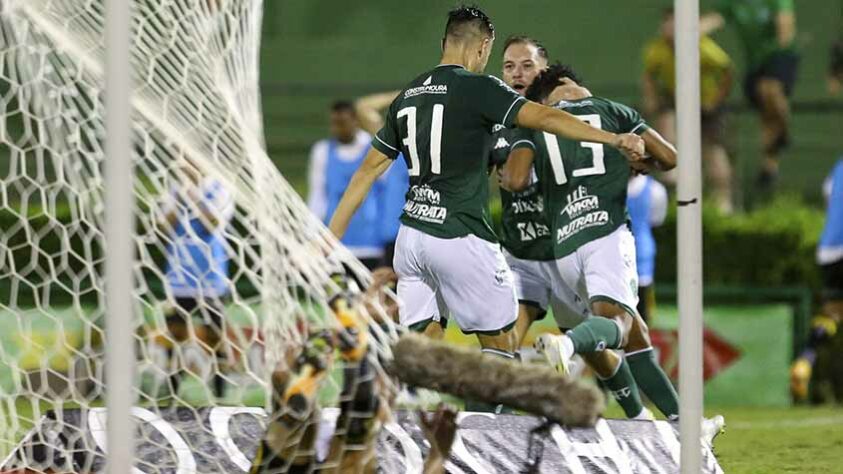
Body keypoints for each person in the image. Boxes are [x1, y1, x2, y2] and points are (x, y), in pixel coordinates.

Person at [328, 5, 643, 363]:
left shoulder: (409, 94)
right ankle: (491, 419)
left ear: (443, 41)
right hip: (460, 234)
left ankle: (381, 406)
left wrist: (328, 239)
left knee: (418, 351)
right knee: (503, 347)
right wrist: (612, 139)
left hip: (411, 240)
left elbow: (366, 171)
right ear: (482, 47)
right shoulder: (479, 88)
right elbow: (546, 118)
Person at [494, 37, 654, 420]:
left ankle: (638, 415)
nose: (518, 73)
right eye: (509, 66)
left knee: (594, 348)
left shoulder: (569, 118)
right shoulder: (497, 120)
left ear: (544, 73)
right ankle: (487, 420)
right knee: (503, 339)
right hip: (521, 254)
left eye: (527, 65)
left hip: (565, 247)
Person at [643, 8, 734, 213]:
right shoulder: (657, 49)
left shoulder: (704, 47)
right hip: (675, 97)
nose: (670, 29)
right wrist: (651, 99)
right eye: (667, 23)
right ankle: (670, 163)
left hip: (706, 102)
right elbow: (648, 75)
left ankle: (723, 200)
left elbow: (727, 71)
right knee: (665, 116)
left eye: (674, 23)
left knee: (713, 149)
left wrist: (715, 100)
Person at [702, 0, 799, 190]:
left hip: (780, 56)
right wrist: (684, 31)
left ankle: (783, 131)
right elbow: (712, 21)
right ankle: (769, 165)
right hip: (755, 64)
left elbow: (785, 26)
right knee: (767, 115)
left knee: (769, 90)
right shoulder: (733, 4)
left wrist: (778, 51)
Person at [158, 160, 235, 399]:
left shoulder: (220, 188)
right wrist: (181, 195)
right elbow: (163, 226)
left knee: (214, 333)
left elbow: (213, 224)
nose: (183, 163)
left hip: (210, 274)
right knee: (176, 332)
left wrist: (194, 193)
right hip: (180, 273)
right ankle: (171, 392)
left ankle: (220, 391)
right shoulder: (174, 188)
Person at [307, 100, 384, 269]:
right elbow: (317, 196)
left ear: (355, 121)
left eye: (343, 123)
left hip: (371, 243)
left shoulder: (374, 148)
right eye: (334, 123)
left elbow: (387, 190)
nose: (338, 128)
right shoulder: (322, 151)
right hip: (336, 243)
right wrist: (312, 234)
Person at [790, 158, 843, 402]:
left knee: (832, 312)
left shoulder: (839, 166)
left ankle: (805, 360)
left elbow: (828, 195)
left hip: (830, 250)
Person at [355, 90, 409, 268]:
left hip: (422, 234)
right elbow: (363, 107)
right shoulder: (394, 148)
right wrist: (407, 93)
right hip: (393, 236)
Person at [626, 174, 668, 324]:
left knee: (642, 307)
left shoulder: (656, 189)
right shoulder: (610, 185)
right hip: (614, 254)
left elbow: (657, 219)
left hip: (641, 253)